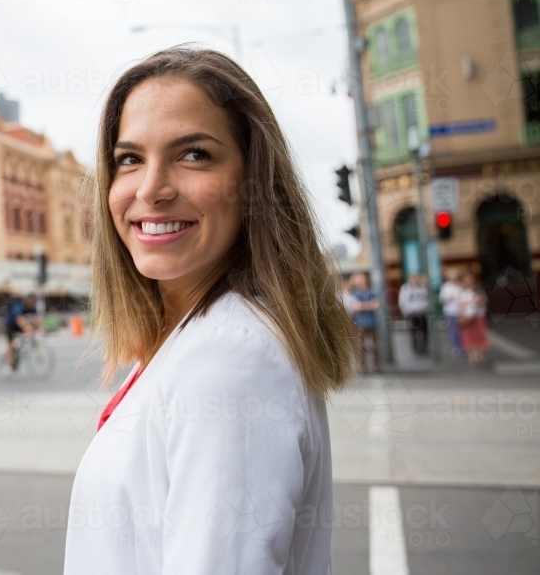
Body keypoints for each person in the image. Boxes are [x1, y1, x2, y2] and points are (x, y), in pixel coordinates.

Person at [63, 47, 355, 574]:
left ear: (254, 184)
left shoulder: (228, 356)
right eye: (129, 159)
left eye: (193, 154)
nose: (150, 189)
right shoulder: (193, 337)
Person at [350, 272, 381, 372]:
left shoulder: (371, 291)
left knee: (374, 345)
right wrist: (368, 305)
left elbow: (375, 304)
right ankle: (362, 366)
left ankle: (377, 366)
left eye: (363, 278)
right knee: (361, 346)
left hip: (372, 321)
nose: (362, 281)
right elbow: (355, 306)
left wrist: (363, 306)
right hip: (360, 322)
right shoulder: (355, 293)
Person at [3, 293, 41, 373]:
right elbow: (19, 319)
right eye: (30, 301)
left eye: (33, 301)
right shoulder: (18, 305)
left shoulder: (33, 307)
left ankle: (20, 349)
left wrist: (42, 328)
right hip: (11, 324)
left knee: (28, 333)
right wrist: (27, 328)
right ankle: (9, 362)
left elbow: (37, 319)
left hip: (20, 325)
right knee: (10, 343)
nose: (32, 303)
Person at [458, 273, 489, 367]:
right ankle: (472, 355)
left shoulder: (478, 290)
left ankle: (479, 354)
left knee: (479, 333)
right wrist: (470, 302)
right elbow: (459, 303)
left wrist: (480, 300)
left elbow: (485, 300)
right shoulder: (462, 291)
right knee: (469, 335)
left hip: (478, 315)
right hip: (467, 316)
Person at [398, 273, 430, 356]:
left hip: (423, 313)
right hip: (412, 313)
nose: (415, 280)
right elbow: (402, 300)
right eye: (413, 278)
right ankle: (416, 348)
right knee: (414, 332)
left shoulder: (423, 287)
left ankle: (424, 348)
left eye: (416, 278)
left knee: (425, 331)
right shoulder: (406, 288)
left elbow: (427, 298)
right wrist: (405, 311)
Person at [439, 268, 464, 358]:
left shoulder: (460, 285)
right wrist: (451, 296)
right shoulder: (446, 286)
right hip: (450, 311)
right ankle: (456, 346)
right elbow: (442, 299)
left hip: (461, 311)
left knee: (462, 329)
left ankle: (463, 345)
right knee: (454, 330)